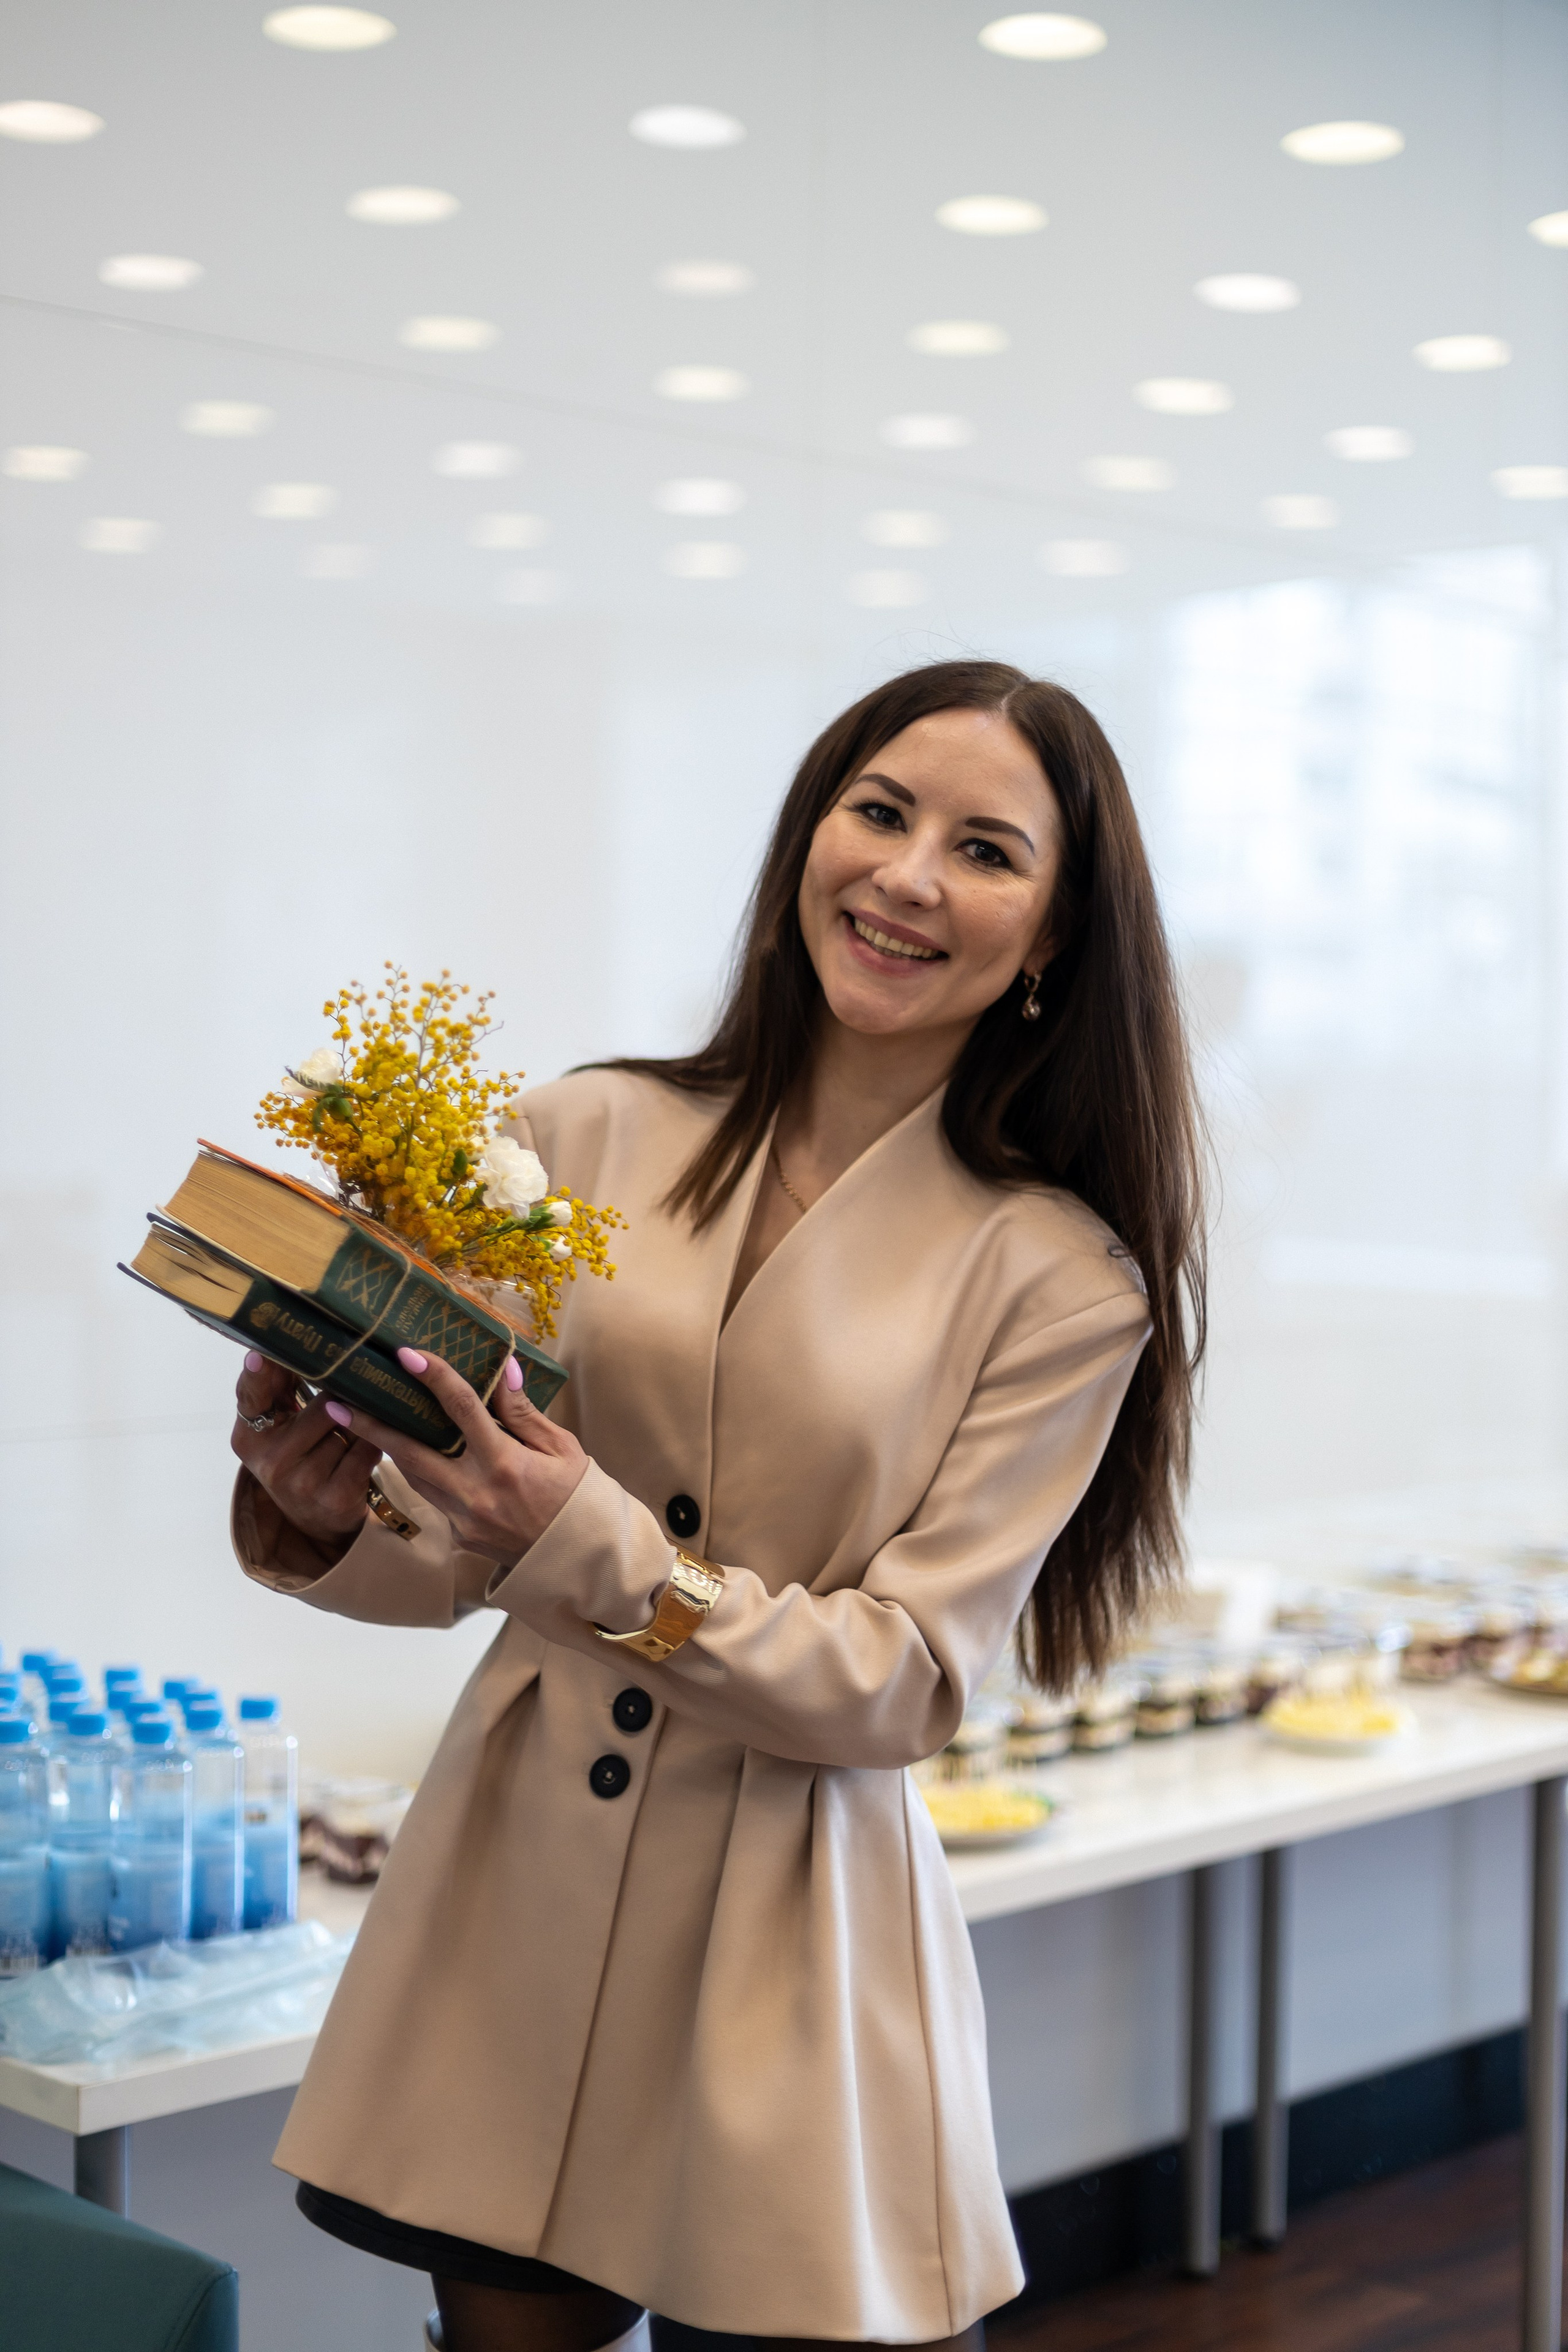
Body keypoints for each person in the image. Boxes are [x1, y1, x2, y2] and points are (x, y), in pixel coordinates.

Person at [229, 659, 1207, 2352]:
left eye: (985, 850)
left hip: (793, 1923)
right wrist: (331, 1508)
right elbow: (459, 1534)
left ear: (1053, 935)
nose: (908, 876)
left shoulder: (1059, 1278)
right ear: (811, 836)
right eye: (880, 813)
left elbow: (905, 1678)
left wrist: (580, 1543)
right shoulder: (582, 1131)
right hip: (516, 1881)